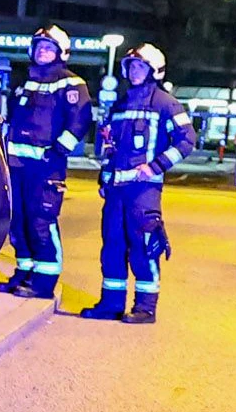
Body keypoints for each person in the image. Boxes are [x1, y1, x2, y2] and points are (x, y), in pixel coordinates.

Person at [81, 41, 194, 324]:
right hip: (116, 191)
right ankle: (111, 304)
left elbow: (187, 140)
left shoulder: (165, 103)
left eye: (140, 66)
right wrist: (104, 176)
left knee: (143, 246)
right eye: (131, 66)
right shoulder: (120, 104)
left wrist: (156, 166)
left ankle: (145, 307)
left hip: (144, 191)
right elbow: (110, 146)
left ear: (153, 70)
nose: (134, 71)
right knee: (112, 247)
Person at [0, 24, 92, 300]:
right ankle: (24, 271)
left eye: (48, 48)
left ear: (60, 53)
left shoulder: (71, 83)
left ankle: (44, 282)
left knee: (42, 221)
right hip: (17, 166)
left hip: (46, 165)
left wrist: (57, 151)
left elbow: (80, 120)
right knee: (18, 222)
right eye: (39, 47)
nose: (42, 51)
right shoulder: (25, 81)